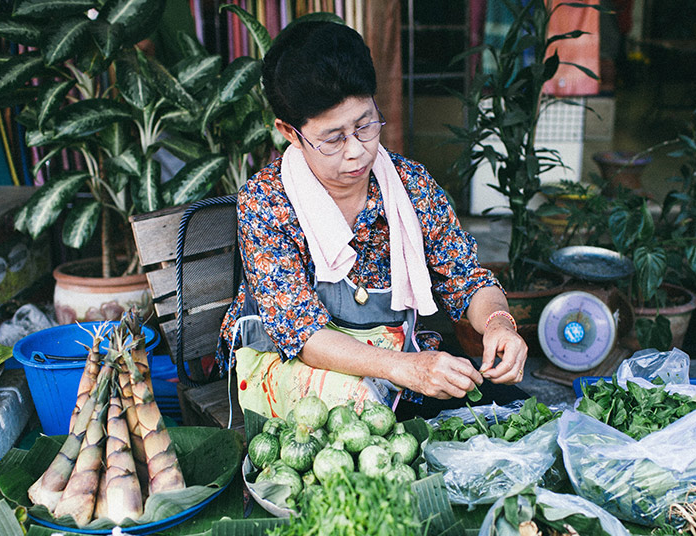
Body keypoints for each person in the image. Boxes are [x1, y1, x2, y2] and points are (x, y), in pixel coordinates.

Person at [217, 20, 528, 420]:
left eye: (365, 125)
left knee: (507, 410)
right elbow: (303, 335)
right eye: (332, 138)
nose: (357, 152)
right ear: (289, 132)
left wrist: (500, 324)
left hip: (392, 364)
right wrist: (406, 368)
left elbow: (466, 280)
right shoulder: (265, 202)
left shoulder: (408, 184)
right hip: (289, 366)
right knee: (367, 415)